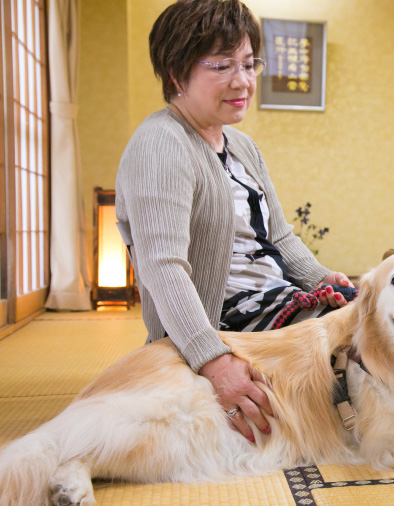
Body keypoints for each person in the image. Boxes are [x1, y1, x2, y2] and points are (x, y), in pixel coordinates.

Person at [115, 0, 353, 444]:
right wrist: (213, 360)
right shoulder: (161, 145)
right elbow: (162, 267)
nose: (243, 81)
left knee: (379, 319)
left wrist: (322, 278)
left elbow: (279, 235)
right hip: (225, 321)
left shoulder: (241, 145)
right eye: (222, 66)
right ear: (175, 73)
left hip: (278, 299)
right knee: (361, 358)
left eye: (248, 64)